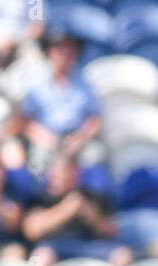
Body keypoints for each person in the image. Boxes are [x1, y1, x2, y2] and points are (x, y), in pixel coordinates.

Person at [22, 153, 131, 266]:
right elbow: (31, 231)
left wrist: (93, 217)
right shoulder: (41, 198)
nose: (69, 176)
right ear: (51, 175)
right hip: (55, 246)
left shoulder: (91, 197)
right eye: (64, 172)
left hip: (89, 246)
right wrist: (66, 210)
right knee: (38, 259)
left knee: (123, 256)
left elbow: (111, 231)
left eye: (72, 172)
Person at [18, 30, 102, 165]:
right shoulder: (35, 82)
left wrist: (80, 138)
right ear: (49, 52)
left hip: (77, 137)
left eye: (70, 50)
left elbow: (95, 120)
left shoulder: (85, 83)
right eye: (60, 50)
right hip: (46, 136)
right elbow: (23, 120)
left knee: (94, 156)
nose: (66, 55)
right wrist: (44, 137)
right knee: (38, 160)